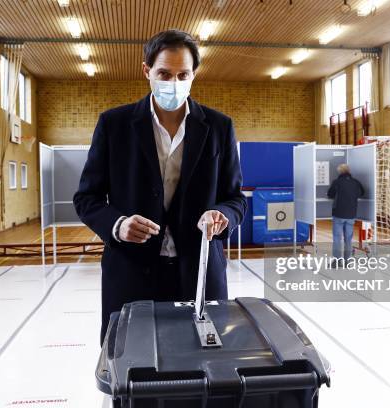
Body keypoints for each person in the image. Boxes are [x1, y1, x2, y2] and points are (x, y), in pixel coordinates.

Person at [73, 29, 246, 346]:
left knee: (201, 369)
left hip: (199, 273)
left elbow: (234, 198)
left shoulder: (220, 127)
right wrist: (118, 224)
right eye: (164, 73)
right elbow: (87, 197)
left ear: (194, 74)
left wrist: (221, 215)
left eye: (183, 74)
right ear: (146, 71)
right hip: (131, 274)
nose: (174, 83)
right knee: (134, 371)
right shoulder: (114, 125)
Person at [327, 163, 365, 266]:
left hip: (339, 213)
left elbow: (330, 194)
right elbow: (362, 193)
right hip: (351, 214)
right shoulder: (355, 182)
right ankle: (347, 260)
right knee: (348, 238)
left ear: (340, 172)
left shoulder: (337, 182)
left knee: (337, 238)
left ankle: (337, 261)